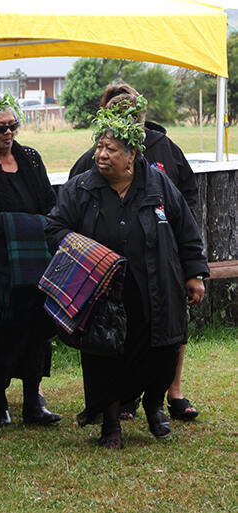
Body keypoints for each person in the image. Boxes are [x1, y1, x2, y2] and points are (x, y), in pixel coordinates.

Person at [46, 103, 208, 448]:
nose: (101, 155)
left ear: (132, 154)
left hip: (156, 287)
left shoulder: (158, 184)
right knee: (106, 357)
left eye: (111, 149)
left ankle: (153, 406)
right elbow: (54, 227)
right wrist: (87, 253)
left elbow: (186, 230)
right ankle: (110, 424)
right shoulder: (81, 188)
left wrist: (194, 273)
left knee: (162, 351)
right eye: (99, 147)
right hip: (104, 292)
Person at [0, 92, 61, 427]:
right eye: (1, 127)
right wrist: (23, 224)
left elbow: (49, 202)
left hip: (33, 259)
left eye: (12, 126)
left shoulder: (30, 158)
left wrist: (34, 225)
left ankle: (33, 400)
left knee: (35, 328)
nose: (8, 133)